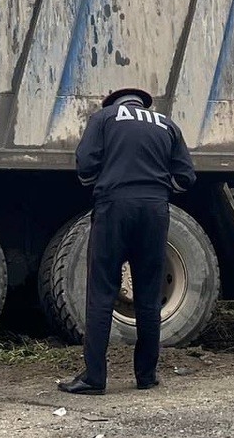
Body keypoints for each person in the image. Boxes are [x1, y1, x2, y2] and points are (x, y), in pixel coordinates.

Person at [57, 87, 196, 395]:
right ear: (143, 104)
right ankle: (146, 376)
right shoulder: (166, 124)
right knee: (148, 295)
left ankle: (94, 378)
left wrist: (102, 181)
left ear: (115, 102)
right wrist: (160, 188)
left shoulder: (105, 117)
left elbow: (85, 162)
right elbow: (186, 175)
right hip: (155, 210)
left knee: (102, 292)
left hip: (114, 207)